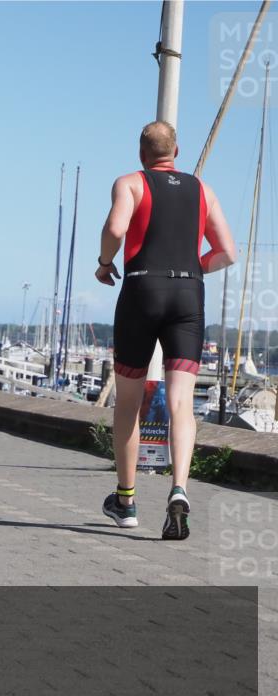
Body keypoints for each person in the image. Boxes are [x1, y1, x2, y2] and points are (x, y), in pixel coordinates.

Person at [96, 120, 236, 540]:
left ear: (142, 153)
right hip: (188, 296)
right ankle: (179, 490)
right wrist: (195, 270)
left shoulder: (130, 183)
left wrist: (105, 264)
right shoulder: (203, 190)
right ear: (177, 149)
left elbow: (116, 230)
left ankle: (126, 501)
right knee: (180, 401)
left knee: (129, 402)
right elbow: (228, 252)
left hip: (141, 288)